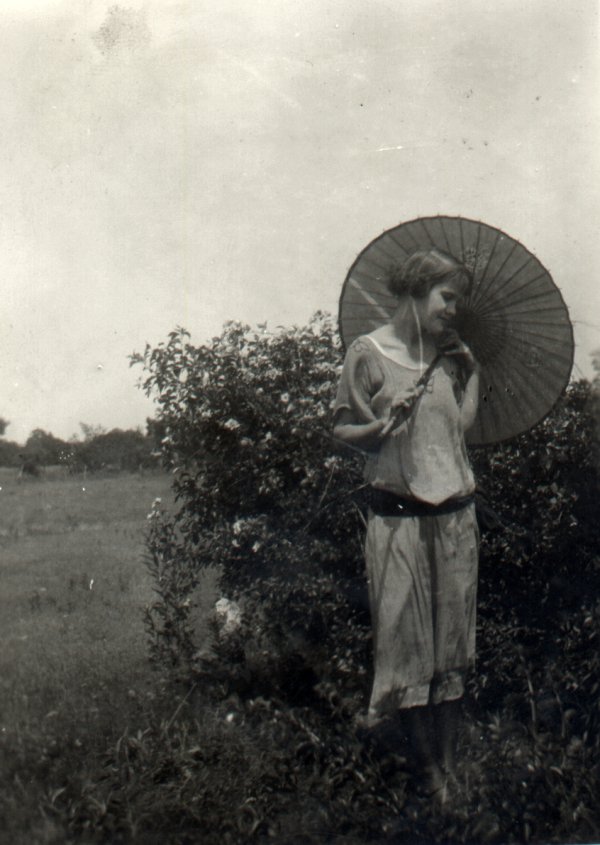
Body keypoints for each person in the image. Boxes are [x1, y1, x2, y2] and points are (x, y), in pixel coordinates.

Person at [333, 247, 480, 798]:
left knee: (451, 651)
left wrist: (474, 373)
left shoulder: (446, 359)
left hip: (455, 522)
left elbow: (458, 431)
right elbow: (343, 430)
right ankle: (432, 777)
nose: (453, 311)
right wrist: (379, 429)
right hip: (399, 524)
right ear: (416, 292)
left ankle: (450, 765)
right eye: (447, 298)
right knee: (408, 650)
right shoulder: (368, 353)